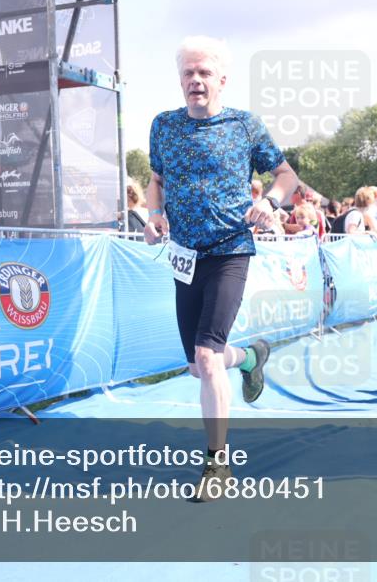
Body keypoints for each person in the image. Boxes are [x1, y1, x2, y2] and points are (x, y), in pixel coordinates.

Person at [143, 36, 298, 501]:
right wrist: (154, 216)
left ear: (221, 81)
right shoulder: (163, 126)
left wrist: (269, 202)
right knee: (198, 364)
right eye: (188, 73)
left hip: (231, 248)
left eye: (204, 73)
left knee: (208, 357)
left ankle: (217, 464)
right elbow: (155, 180)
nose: (195, 80)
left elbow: (286, 176)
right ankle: (251, 357)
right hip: (185, 255)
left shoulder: (244, 126)